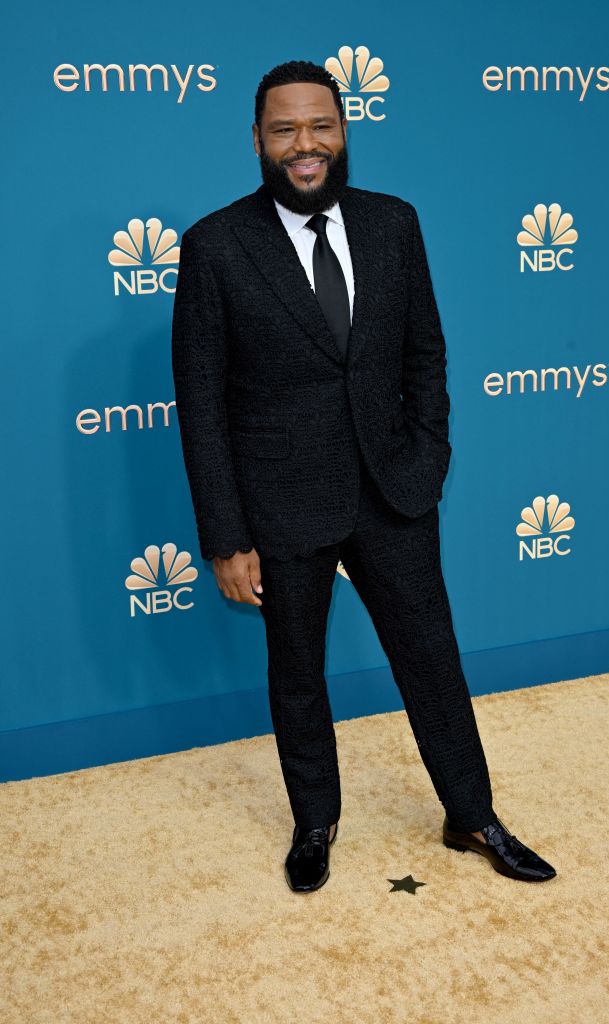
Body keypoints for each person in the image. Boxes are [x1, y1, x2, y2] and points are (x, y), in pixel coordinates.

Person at [171, 60, 557, 892]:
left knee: (433, 662)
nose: (304, 146)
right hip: (281, 502)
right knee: (298, 674)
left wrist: (429, 455)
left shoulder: (394, 223)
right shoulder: (214, 246)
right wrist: (225, 535)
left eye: (320, 126)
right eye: (285, 130)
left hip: (394, 491)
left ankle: (472, 815)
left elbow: (426, 353)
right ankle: (315, 822)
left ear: (344, 130)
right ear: (257, 140)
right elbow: (199, 406)